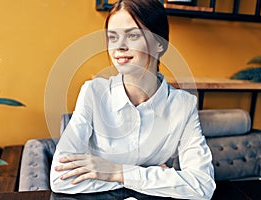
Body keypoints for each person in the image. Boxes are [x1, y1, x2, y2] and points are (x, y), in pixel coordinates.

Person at [50, 0, 216, 199]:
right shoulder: (93, 92)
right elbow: (60, 179)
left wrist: (117, 172)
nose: (119, 47)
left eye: (133, 35)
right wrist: (158, 176)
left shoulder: (183, 105)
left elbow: (202, 186)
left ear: (159, 44)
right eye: (113, 37)